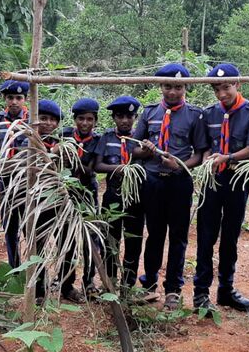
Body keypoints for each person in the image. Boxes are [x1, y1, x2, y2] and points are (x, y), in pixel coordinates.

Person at [132, 63, 208, 310]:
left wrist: (180, 165)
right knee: (154, 234)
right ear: (160, 86)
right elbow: (134, 149)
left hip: (179, 182)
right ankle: (149, 283)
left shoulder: (195, 115)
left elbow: (199, 153)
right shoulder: (149, 112)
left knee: (178, 236)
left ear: (185, 87)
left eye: (177, 87)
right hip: (152, 181)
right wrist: (145, 150)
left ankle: (173, 289)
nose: (172, 92)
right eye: (167, 86)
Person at [193, 63, 249, 313]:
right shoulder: (208, 113)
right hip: (212, 183)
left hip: (237, 181)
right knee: (205, 237)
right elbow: (204, 149)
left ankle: (226, 290)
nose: (222, 94)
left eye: (226, 87)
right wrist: (206, 164)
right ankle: (200, 292)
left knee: (230, 238)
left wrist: (227, 158)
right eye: (217, 89)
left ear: (237, 85)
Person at [31, 99, 86, 304]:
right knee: (38, 246)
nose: (47, 123)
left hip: (63, 201)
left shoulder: (63, 140)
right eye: (43, 118)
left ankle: (66, 286)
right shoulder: (27, 140)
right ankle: (38, 290)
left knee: (69, 243)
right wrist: (51, 154)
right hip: (38, 203)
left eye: (52, 120)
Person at [93, 95, 145, 289]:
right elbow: (98, 165)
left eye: (129, 117)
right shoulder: (106, 138)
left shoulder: (140, 140)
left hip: (136, 198)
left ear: (135, 118)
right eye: (120, 116)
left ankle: (128, 283)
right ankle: (110, 281)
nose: (125, 120)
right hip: (112, 196)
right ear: (113, 118)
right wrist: (119, 168)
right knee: (110, 240)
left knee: (134, 240)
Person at [62, 98, 102, 297]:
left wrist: (73, 161)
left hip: (87, 193)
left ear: (95, 120)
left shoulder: (98, 141)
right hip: (64, 193)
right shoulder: (64, 136)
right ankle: (66, 284)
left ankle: (89, 281)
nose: (85, 123)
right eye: (80, 119)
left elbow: (91, 169)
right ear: (74, 119)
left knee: (90, 238)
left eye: (89, 119)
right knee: (66, 238)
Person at [0, 80, 30, 268]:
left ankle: (33, 269)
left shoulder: (33, 120)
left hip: (27, 180)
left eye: (18, 98)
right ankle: (15, 268)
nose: (14, 102)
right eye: (10, 98)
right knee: (10, 224)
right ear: (4, 99)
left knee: (30, 225)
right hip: (6, 179)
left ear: (25, 99)